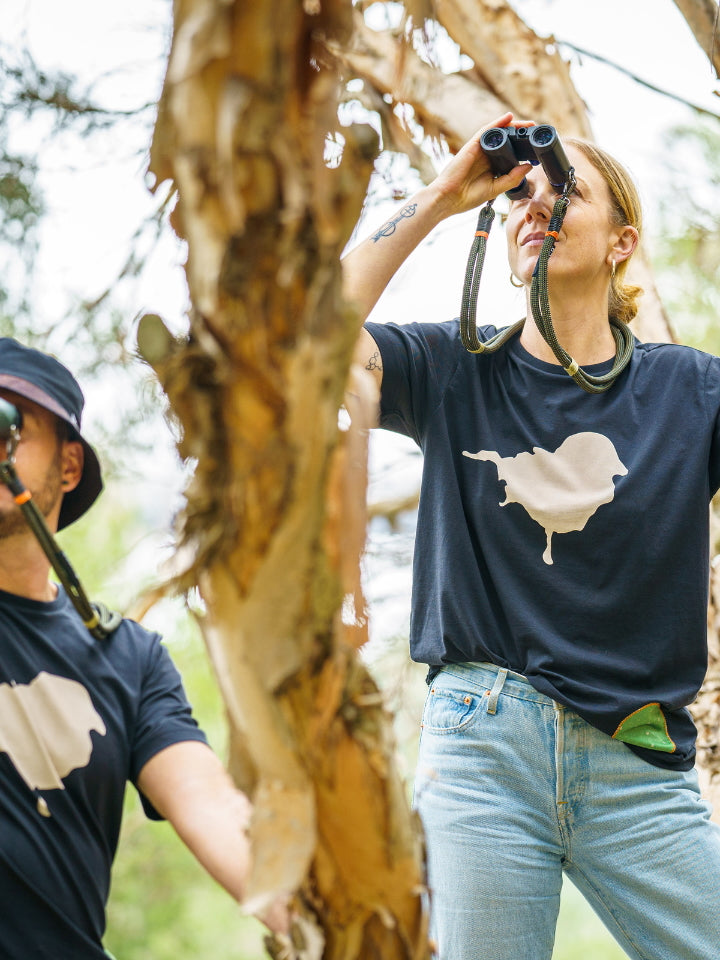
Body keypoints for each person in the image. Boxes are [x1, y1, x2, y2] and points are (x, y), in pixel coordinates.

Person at [342, 113, 720, 960]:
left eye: (563, 189)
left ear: (622, 243)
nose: (534, 205)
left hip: (640, 763)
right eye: (522, 194)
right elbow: (302, 334)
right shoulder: (450, 368)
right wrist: (443, 195)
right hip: (482, 753)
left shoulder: (691, 392)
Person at [0, 337, 282, 958]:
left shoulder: (130, 658)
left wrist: (324, 911)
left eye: (9, 421)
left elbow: (207, 802)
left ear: (68, 467)